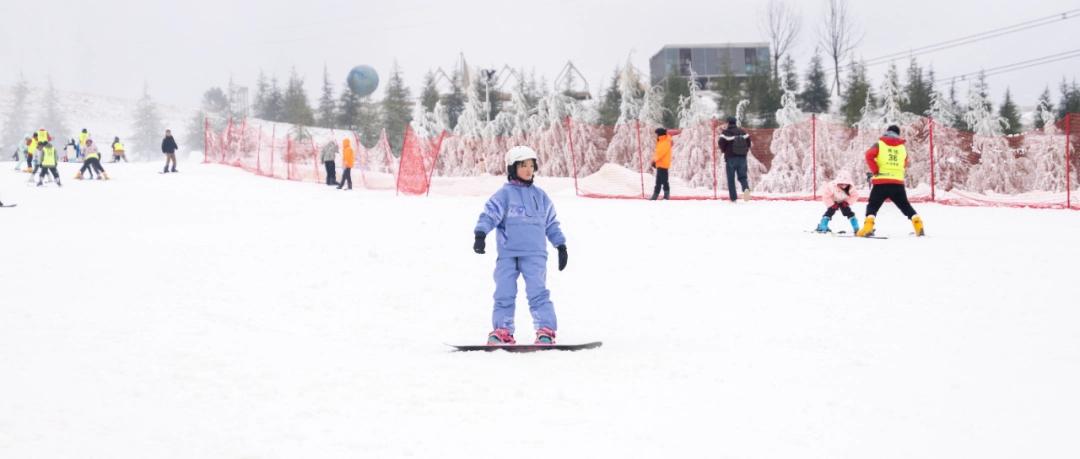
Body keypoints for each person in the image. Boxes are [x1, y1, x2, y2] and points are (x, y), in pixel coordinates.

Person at [473, 146, 568, 345]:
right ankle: (502, 331)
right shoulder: (504, 195)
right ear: (512, 168)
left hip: (535, 254)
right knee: (504, 293)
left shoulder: (541, 196)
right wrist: (481, 233)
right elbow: (489, 214)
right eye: (523, 165)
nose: (528, 170)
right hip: (508, 254)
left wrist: (560, 245)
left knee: (538, 292)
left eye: (531, 166)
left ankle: (545, 330)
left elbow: (551, 223)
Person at [856, 125, 925, 237]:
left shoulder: (880, 144)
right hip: (897, 182)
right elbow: (905, 163)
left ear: (887, 132)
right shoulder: (902, 148)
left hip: (881, 182)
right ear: (898, 134)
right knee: (905, 206)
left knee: (873, 205)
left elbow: (869, 155)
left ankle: (868, 227)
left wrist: (875, 170)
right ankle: (918, 224)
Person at [718, 116, 752, 202]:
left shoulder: (725, 133)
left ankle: (733, 198)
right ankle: (746, 192)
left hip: (730, 158)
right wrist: (744, 151)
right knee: (743, 177)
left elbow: (721, 144)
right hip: (742, 158)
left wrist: (725, 151)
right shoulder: (743, 132)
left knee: (731, 178)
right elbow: (748, 143)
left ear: (728, 123)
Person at [649, 127, 682, 200]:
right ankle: (656, 196)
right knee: (659, 181)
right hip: (660, 164)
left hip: (663, 164)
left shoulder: (664, 142)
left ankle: (665, 196)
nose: (656, 135)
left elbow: (660, 153)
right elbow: (658, 153)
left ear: (660, 134)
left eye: (657, 134)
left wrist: (654, 161)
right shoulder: (662, 141)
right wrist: (655, 161)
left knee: (664, 181)